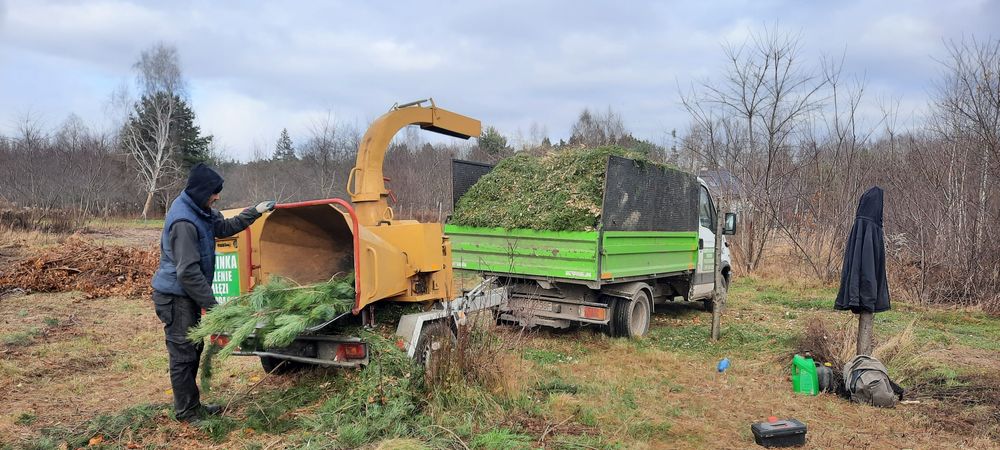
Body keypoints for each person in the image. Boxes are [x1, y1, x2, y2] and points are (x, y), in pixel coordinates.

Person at [150, 163, 275, 423]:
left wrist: (255, 212)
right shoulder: (184, 221)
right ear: (200, 192)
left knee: (193, 348)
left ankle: (192, 406)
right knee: (184, 354)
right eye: (214, 193)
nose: (217, 197)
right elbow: (188, 272)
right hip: (175, 297)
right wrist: (213, 305)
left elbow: (225, 228)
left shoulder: (201, 210)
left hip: (186, 295)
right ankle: (186, 412)